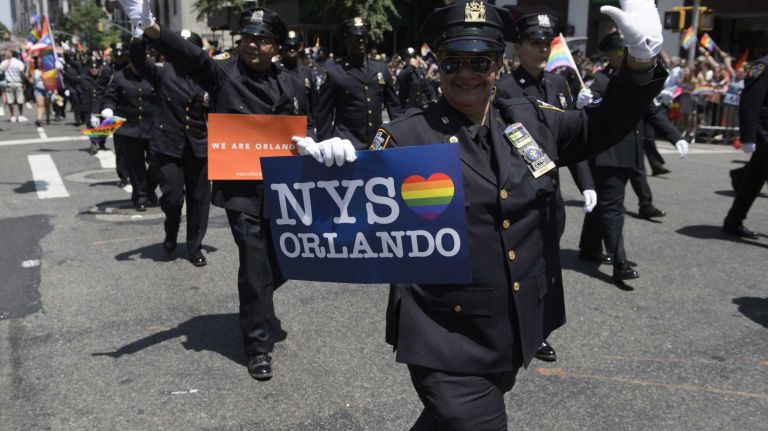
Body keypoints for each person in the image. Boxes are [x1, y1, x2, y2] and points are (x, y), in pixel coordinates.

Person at [355, 0, 664, 428]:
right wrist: (333, 169)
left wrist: (641, 62)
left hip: (516, 325)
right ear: (436, 66)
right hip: (444, 336)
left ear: (498, 66)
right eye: (452, 62)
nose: (466, 73)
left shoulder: (531, 122)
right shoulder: (406, 136)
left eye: (480, 61)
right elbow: (354, 218)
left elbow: (605, 124)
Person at [122, 1, 323, 381]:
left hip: (285, 191)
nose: (253, 45)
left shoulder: (293, 81)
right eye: (248, 37)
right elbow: (191, 55)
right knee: (253, 260)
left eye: (262, 40)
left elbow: (305, 125)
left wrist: (312, 142)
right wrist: (151, 30)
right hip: (241, 188)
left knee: (282, 262)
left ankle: (257, 300)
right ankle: (258, 345)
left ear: (276, 47)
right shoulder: (223, 75)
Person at [495, 12, 599, 361]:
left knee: (547, 268)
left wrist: (585, 183)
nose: (541, 50)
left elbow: (572, 141)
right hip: (518, 194)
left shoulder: (558, 85)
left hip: (550, 196)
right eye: (534, 43)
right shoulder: (504, 89)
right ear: (518, 47)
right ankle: (521, 329)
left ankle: (539, 328)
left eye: (546, 43)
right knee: (521, 267)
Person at [577, 31, 687, 285]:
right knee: (614, 209)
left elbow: (652, 111)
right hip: (608, 154)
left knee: (604, 205)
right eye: (624, 52)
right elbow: (585, 110)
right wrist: (581, 102)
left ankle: (589, 247)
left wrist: (676, 136)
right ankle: (619, 263)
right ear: (613, 54)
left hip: (630, 153)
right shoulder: (599, 79)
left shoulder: (633, 78)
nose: (629, 56)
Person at [129, 30, 211, 266]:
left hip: (198, 147)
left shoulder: (207, 76)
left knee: (199, 200)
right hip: (168, 147)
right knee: (173, 199)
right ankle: (171, 230)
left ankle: (194, 247)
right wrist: (139, 40)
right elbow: (138, 61)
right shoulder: (164, 71)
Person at [315, 17, 403, 149]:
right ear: (345, 40)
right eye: (355, 38)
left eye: (363, 37)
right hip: (346, 145)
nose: (360, 41)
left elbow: (394, 107)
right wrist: (325, 145)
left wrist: (400, 137)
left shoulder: (380, 68)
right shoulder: (335, 72)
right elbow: (324, 113)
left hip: (378, 144)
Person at [100, 49, 159, 211]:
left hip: (153, 127)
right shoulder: (119, 77)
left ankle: (148, 189)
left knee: (158, 162)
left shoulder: (155, 74)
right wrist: (108, 109)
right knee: (135, 165)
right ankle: (141, 196)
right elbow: (110, 97)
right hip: (129, 128)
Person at [722, 54, 768, 239]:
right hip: (764, 131)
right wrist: (748, 137)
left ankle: (733, 221)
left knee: (754, 179)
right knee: (754, 178)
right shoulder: (763, 65)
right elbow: (750, 101)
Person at [279, 30, 316, 125]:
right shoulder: (274, 70)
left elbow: (313, 102)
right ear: (282, 47)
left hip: (303, 124)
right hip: (281, 123)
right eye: (288, 47)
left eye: (295, 47)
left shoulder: (306, 72)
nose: (292, 50)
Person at [0, 50, 28, 122]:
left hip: (9, 83)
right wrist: (24, 82)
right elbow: (22, 73)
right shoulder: (19, 63)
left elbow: (1, 71)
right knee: (20, 100)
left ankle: (12, 116)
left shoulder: (4, 62)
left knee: (10, 101)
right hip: (18, 83)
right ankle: (20, 115)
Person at [28, 56, 52, 127]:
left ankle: (48, 118)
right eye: (38, 62)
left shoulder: (48, 70)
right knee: (40, 105)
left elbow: (53, 80)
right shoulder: (35, 72)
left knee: (47, 105)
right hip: (38, 89)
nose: (39, 64)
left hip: (47, 89)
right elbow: (32, 82)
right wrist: (27, 78)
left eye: (41, 62)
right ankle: (39, 120)